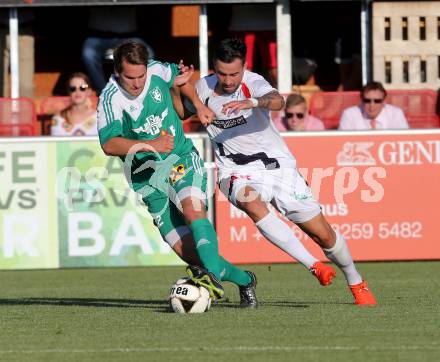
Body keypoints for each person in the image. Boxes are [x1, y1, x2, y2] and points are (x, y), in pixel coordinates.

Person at [175, 38, 376, 305]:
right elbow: (180, 113)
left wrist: (253, 103)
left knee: (322, 234)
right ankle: (313, 265)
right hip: (233, 169)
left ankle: (356, 280)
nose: (228, 80)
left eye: (234, 73)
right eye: (222, 73)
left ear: (244, 66)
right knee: (251, 203)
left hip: (276, 167)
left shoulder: (253, 82)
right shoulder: (204, 87)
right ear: (214, 67)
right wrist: (178, 89)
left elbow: (277, 101)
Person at [96, 40, 257, 308]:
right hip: (145, 177)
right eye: (129, 77)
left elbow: (181, 80)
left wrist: (198, 104)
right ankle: (245, 281)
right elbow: (109, 144)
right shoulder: (110, 100)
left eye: (140, 76)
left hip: (179, 158)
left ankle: (212, 278)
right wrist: (151, 145)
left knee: (193, 210)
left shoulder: (158, 70)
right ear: (116, 71)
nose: (136, 84)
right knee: (188, 252)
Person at [82, 7, 154, 95]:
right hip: (99, 36)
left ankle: (142, 89)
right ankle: (102, 92)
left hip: (128, 36)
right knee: (88, 53)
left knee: (148, 53)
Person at [229, 4, 277, 87]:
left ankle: (280, 96)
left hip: (269, 20)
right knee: (243, 66)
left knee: (274, 67)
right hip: (243, 19)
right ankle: (242, 97)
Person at [339, 81, 409, 130]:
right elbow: (342, 143)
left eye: (377, 101)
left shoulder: (395, 114)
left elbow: (405, 141)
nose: (372, 105)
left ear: (384, 101)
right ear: (361, 100)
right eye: (367, 101)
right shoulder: (349, 115)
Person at [50, 72, 97, 136]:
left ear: (89, 91)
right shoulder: (58, 120)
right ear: (68, 92)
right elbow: (55, 145)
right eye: (72, 89)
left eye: (82, 88)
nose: (77, 91)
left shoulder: (99, 119)